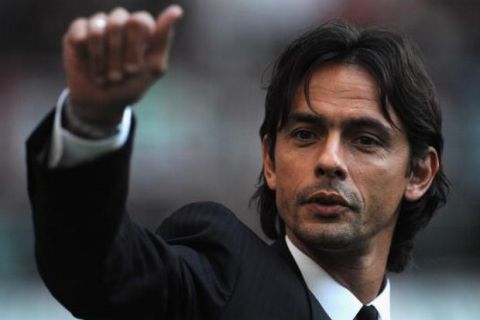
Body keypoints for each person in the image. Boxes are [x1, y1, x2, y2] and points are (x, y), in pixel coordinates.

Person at [26, 4, 449, 320]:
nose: (329, 160)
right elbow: (99, 269)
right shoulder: (220, 280)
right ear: (269, 159)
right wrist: (91, 124)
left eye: (365, 140)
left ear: (418, 173)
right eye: (305, 134)